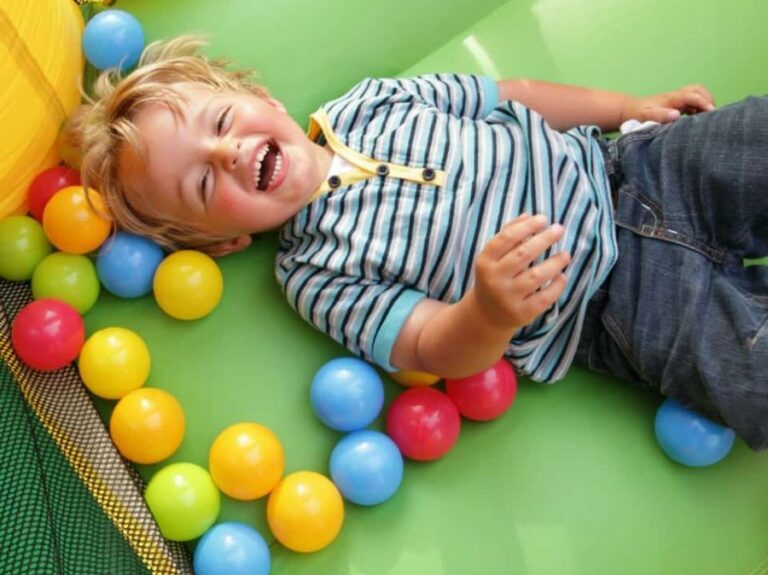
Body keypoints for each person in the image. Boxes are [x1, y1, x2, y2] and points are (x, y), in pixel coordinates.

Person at [67, 37, 768, 449]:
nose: (225, 152)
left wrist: (626, 109)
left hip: (636, 168)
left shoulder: (371, 101)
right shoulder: (312, 276)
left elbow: (513, 94)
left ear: (266, 102)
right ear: (221, 241)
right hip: (617, 309)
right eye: (198, 183)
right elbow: (432, 346)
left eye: (222, 120)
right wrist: (489, 312)